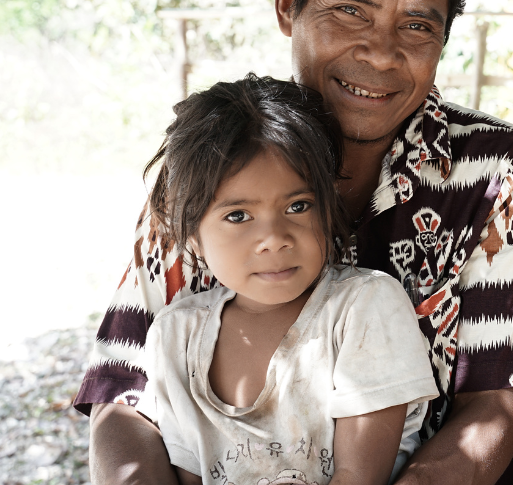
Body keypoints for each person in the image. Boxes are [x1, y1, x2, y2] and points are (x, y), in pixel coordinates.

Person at [77, 0, 513, 485]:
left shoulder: (495, 171)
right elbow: (126, 396)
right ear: (290, 2)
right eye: (350, 11)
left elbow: (499, 403)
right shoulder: (208, 167)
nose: (381, 53)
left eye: (418, 26)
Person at [140, 74, 438, 485]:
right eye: (238, 216)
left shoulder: (364, 308)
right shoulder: (175, 337)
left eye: (298, 206)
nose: (274, 240)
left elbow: (358, 478)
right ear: (191, 233)